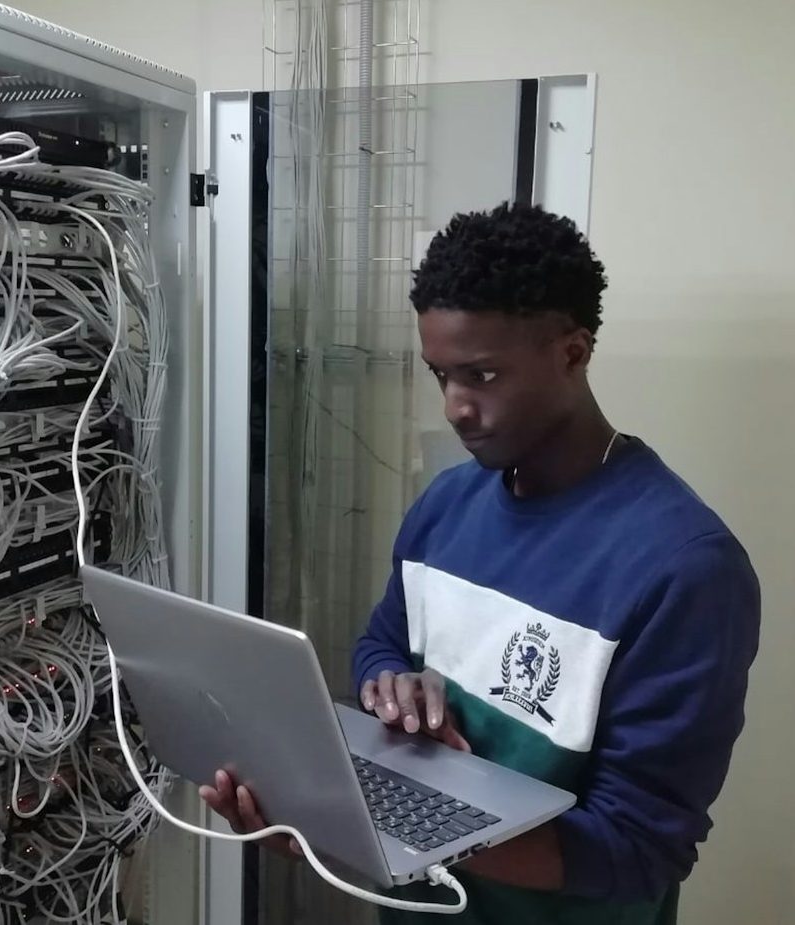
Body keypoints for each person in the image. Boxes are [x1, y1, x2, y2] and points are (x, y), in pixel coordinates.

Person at [202, 203, 761, 925]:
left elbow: (637, 847)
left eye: (483, 374)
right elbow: (382, 642)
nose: (454, 407)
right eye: (441, 374)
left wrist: (383, 822)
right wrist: (389, 689)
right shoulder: (446, 503)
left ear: (572, 352)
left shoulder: (684, 568)